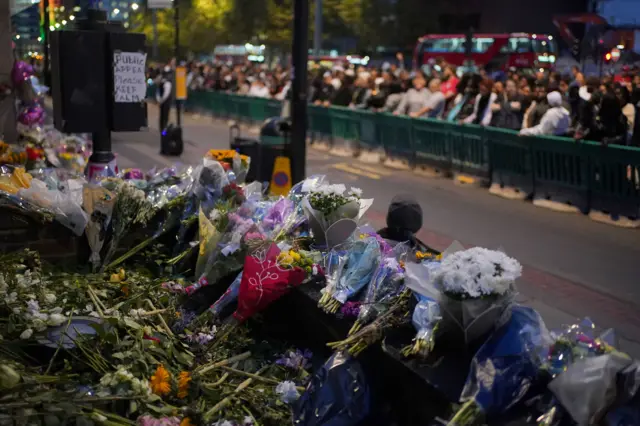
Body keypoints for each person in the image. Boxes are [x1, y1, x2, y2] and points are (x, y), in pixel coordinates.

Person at [155, 66, 173, 131]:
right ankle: (162, 131)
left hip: (165, 102)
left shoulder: (167, 82)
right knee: (163, 117)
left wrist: (160, 100)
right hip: (164, 102)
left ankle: (163, 132)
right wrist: (160, 100)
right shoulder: (163, 82)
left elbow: (166, 94)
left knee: (164, 117)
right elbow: (160, 92)